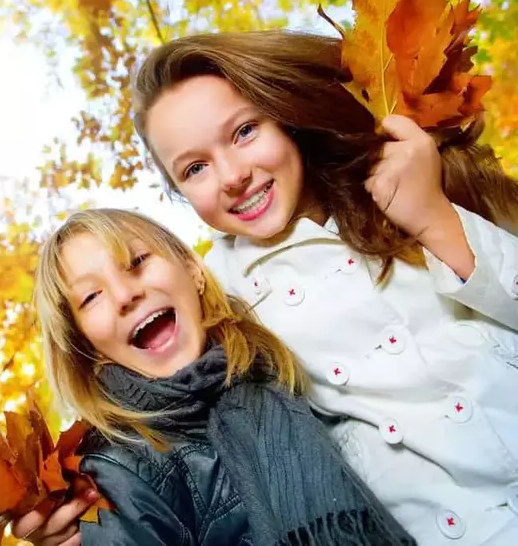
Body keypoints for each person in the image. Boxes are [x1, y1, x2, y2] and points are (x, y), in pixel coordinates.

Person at [14, 31, 518, 545]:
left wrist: (435, 219)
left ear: (283, 115)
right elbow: (175, 426)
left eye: (245, 131)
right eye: (195, 168)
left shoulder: (410, 174)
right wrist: (83, 514)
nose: (231, 175)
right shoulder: (226, 303)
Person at [27, 208, 414, 545]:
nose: (125, 295)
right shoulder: (116, 468)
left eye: (138, 261)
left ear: (194, 271)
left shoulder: (277, 373)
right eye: (91, 297)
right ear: (86, 346)